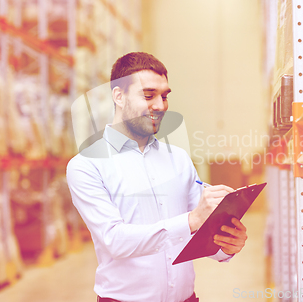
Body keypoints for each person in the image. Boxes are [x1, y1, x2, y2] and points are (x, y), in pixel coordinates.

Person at [66, 52, 248, 302]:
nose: (161, 106)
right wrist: (193, 220)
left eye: (164, 96)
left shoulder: (179, 159)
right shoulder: (86, 166)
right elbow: (115, 241)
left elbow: (200, 231)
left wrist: (226, 245)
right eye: (148, 95)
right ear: (118, 96)